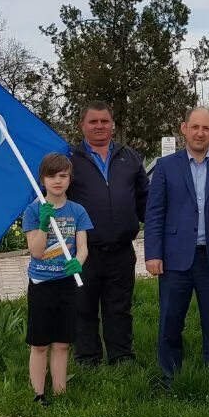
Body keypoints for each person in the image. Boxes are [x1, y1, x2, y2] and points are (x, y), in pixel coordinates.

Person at [144, 107, 209, 380]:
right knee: (170, 320)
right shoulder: (166, 166)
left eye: (206, 128)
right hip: (175, 257)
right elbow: (155, 213)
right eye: (195, 127)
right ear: (184, 129)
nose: (200, 133)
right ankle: (169, 374)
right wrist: (152, 253)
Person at [67, 101, 149, 366]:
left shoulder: (130, 157)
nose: (99, 126)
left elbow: (144, 199)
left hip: (122, 249)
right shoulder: (70, 160)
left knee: (119, 308)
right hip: (83, 250)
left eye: (104, 121)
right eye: (93, 121)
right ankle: (87, 357)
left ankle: (122, 356)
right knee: (83, 306)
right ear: (82, 125)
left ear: (112, 124)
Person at [21, 153, 91, 404]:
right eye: (52, 176)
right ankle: (39, 394)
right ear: (42, 179)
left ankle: (61, 393)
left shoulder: (78, 211)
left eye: (63, 176)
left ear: (70, 179)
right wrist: (43, 224)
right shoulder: (32, 211)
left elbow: (82, 248)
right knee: (40, 343)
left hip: (67, 284)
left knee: (62, 343)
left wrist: (78, 263)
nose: (58, 181)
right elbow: (37, 251)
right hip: (41, 284)